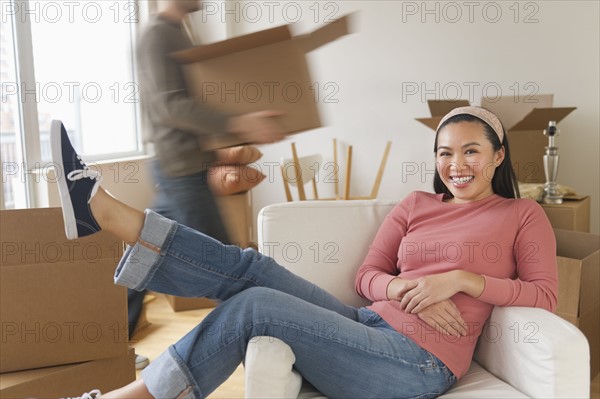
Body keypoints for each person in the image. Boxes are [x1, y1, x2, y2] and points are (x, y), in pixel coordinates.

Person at [52, 105, 557, 399]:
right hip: (370, 326)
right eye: (445, 152)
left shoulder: (521, 215)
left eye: (471, 150)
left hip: (419, 363)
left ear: (498, 156)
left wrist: (463, 280)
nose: (456, 164)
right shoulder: (417, 203)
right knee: (255, 268)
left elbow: (544, 296)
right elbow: (368, 276)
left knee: (254, 307)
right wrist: (399, 285)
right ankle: (109, 214)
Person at [130, 0, 284, 361]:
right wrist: (238, 123)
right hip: (178, 168)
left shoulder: (177, 30)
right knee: (225, 264)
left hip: (183, 165)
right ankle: (257, 350)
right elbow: (170, 105)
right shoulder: (156, 35)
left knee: (143, 251)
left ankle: (106, 338)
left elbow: (196, 96)